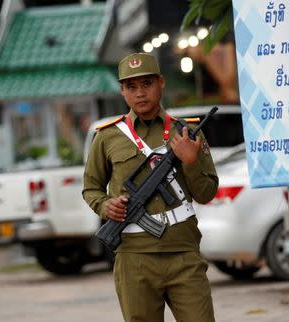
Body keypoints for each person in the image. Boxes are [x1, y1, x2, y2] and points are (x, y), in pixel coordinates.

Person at [83, 52, 218, 322]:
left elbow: (206, 193)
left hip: (183, 253)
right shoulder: (108, 136)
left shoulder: (186, 132)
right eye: (131, 87)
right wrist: (105, 205)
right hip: (134, 258)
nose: (140, 93)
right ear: (122, 91)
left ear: (161, 83)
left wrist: (190, 162)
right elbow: (91, 188)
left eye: (147, 84)